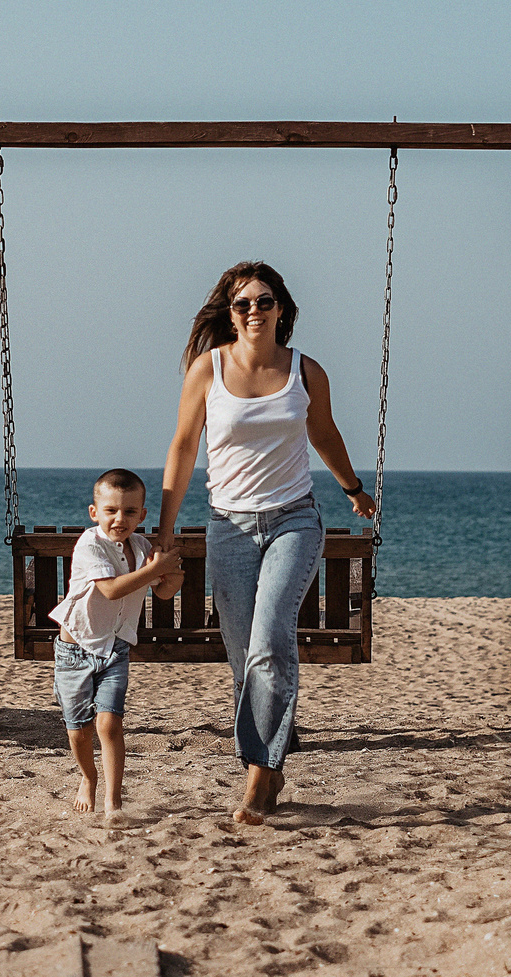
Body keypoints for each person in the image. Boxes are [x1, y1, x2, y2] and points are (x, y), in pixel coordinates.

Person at [155, 262, 375, 825]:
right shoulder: (208, 371)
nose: (254, 311)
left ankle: (260, 775)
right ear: (229, 315)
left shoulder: (306, 372)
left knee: (271, 640)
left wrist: (351, 487)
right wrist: (165, 528)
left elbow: (323, 432)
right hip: (228, 526)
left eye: (264, 301)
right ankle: (272, 762)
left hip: (293, 521)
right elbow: (183, 447)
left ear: (283, 309)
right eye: (242, 304)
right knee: (241, 655)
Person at [52, 468, 184, 820]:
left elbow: (166, 592)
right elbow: (110, 589)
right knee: (78, 730)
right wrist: (156, 568)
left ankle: (113, 801)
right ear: (95, 512)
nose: (119, 519)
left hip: (115, 650)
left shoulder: (142, 548)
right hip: (75, 650)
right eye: (111, 510)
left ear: (142, 515)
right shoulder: (90, 544)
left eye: (129, 512)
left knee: (109, 724)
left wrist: (171, 570)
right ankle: (88, 777)